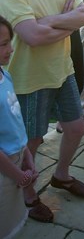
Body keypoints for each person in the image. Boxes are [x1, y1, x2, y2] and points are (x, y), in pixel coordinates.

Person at [0, 0, 84, 223]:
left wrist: (48, 22)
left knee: (77, 127)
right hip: (29, 77)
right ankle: (28, 195)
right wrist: (64, 23)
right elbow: (31, 36)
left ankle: (61, 175)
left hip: (61, 68)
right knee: (31, 142)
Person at [0, 16, 38, 238]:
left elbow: (14, 121)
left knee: (13, 216)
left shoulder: (6, 75)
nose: (11, 49)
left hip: (16, 162)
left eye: (9, 42)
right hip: (5, 170)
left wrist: (26, 155)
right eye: (3, 44)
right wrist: (17, 175)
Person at [55, 0, 84, 132]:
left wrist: (70, 18)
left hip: (74, 34)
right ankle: (62, 120)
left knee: (78, 72)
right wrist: (69, 18)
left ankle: (72, 115)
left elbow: (82, 15)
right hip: (61, 37)